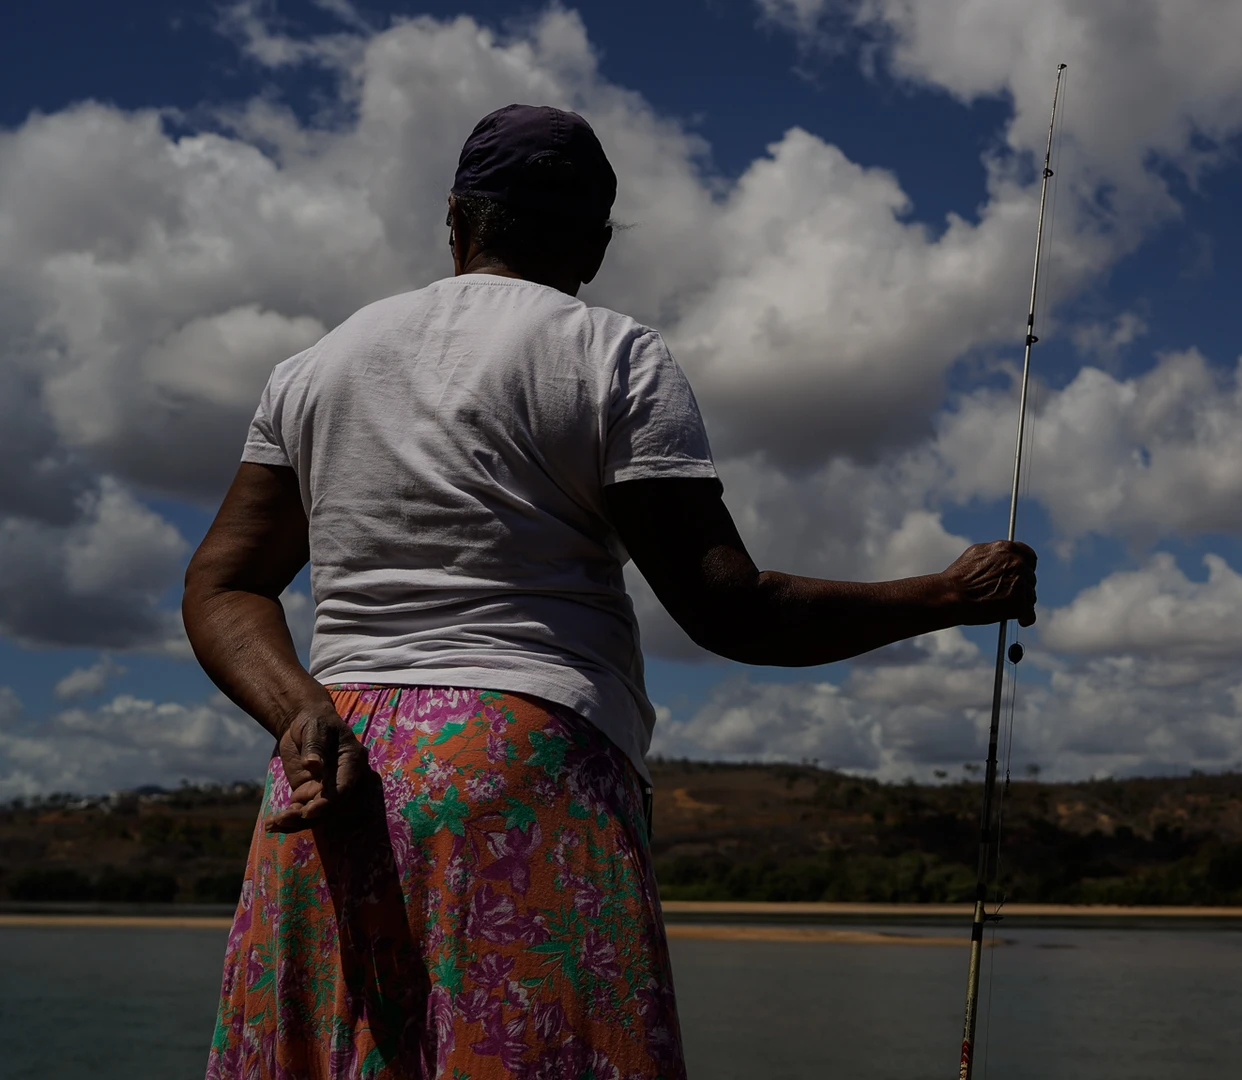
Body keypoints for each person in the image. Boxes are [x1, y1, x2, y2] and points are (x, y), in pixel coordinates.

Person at [183, 103, 1037, 1080]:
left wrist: (300, 710)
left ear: (457, 225)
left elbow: (223, 583)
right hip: (522, 764)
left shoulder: (315, 368)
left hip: (327, 769)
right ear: (593, 246)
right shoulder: (611, 354)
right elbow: (731, 609)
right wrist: (947, 594)